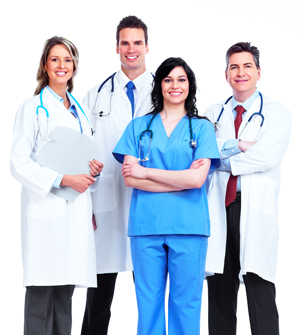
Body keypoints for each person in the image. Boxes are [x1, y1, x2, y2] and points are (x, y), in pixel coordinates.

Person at [113, 57, 220, 335]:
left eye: (181, 79)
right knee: (148, 305)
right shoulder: (138, 127)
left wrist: (146, 172)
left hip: (189, 228)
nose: (175, 85)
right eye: (168, 79)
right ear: (159, 85)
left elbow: (197, 179)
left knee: (186, 305)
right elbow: (129, 178)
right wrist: (181, 180)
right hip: (146, 228)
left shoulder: (202, 128)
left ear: (190, 85)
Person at [10, 36, 103, 335]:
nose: (61, 65)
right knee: (41, 294)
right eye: (55, 59)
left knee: (64, 296)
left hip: (75, 213)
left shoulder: (81, 111)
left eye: (67, 59)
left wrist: (93, 171)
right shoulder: (32, 108)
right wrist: (63, 179)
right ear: (45, 66)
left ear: (74, 66)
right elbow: (18, 163)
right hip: (45, 212)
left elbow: (84, 157)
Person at [203, 42, 291, 335]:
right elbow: (202, 152)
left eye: (247, 66)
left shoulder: (278, 114)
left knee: (260, 291)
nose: (240, 72)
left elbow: (267, 157)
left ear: (259, 72)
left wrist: (223, 159)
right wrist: (238, 147)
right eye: (234, 67)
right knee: (219, 293)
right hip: (219, 208)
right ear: (226, 74)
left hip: (254, 210)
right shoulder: (214, 112)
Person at [80, 16, 154, 335]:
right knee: (98, 301)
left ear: (147, 47)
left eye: (137, 42)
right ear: (116, 47)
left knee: (150, 298)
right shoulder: (95, 94)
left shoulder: (166, 90)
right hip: (105, 205)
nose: (131, 49)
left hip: (150, 203)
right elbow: (79, 147)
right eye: (125, 42)